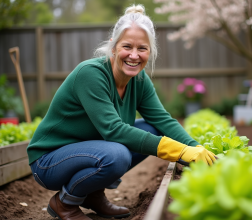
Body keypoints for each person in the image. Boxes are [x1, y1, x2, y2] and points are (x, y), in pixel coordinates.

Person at [27, 4, 216, 220]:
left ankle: (92, 196)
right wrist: (178, 152)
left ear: (150, 52)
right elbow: (113, 130)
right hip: (49, 160)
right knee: (117, 155)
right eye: (127, 46)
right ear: (113, 47)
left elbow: (162, 120)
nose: (134, 56)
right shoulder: (91, 74)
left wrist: (195, 148)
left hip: (87, 151)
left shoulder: (140, 81)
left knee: (152, 128)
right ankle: (65, 203)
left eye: (142, 49)